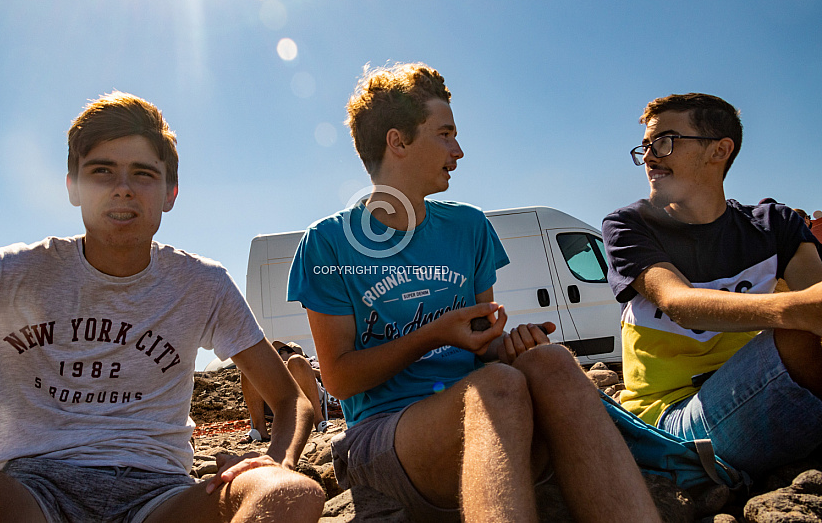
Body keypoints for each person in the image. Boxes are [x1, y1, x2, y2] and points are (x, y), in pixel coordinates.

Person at [287, 62, 661, 522]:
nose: (458, 150)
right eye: (445, 134)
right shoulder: (328, 242)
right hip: (385, 436)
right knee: (499, 386)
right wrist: (436, 334)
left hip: (488, 413)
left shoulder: (470, 227)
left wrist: (509, 344)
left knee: (552, 361)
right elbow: (340, 380)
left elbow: (484, 348)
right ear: (397, 141)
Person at [0, 92, 324, 523]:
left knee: (290, 492)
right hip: (25, 492)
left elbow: (291, 399)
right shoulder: (5, 273)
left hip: (158, 496)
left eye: (142, 173)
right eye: (101, 171)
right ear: (73, 187)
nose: (122, 188)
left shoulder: (202, 283)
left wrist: (277, 460)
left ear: (170, 193)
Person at [602, 92, 822, 479]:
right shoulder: (629, 225)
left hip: (755, 388)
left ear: (719, 150)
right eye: (646, 146)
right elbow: (679, 303)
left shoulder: (775, 224)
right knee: (800, 334)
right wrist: (796, 310)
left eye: (665, 141)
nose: (650, 157)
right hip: (671, 420)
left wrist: (808, 308)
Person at [241, 340, 328, 442]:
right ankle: (259, 429)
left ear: (292, 353)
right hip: (274, 402)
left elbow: (324, 374)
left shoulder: (309, 362)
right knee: (251, 367)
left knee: (296, 362)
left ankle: (319, 421)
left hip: (307, 400)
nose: (276, 355)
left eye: (280, 352)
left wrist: (287, 367)